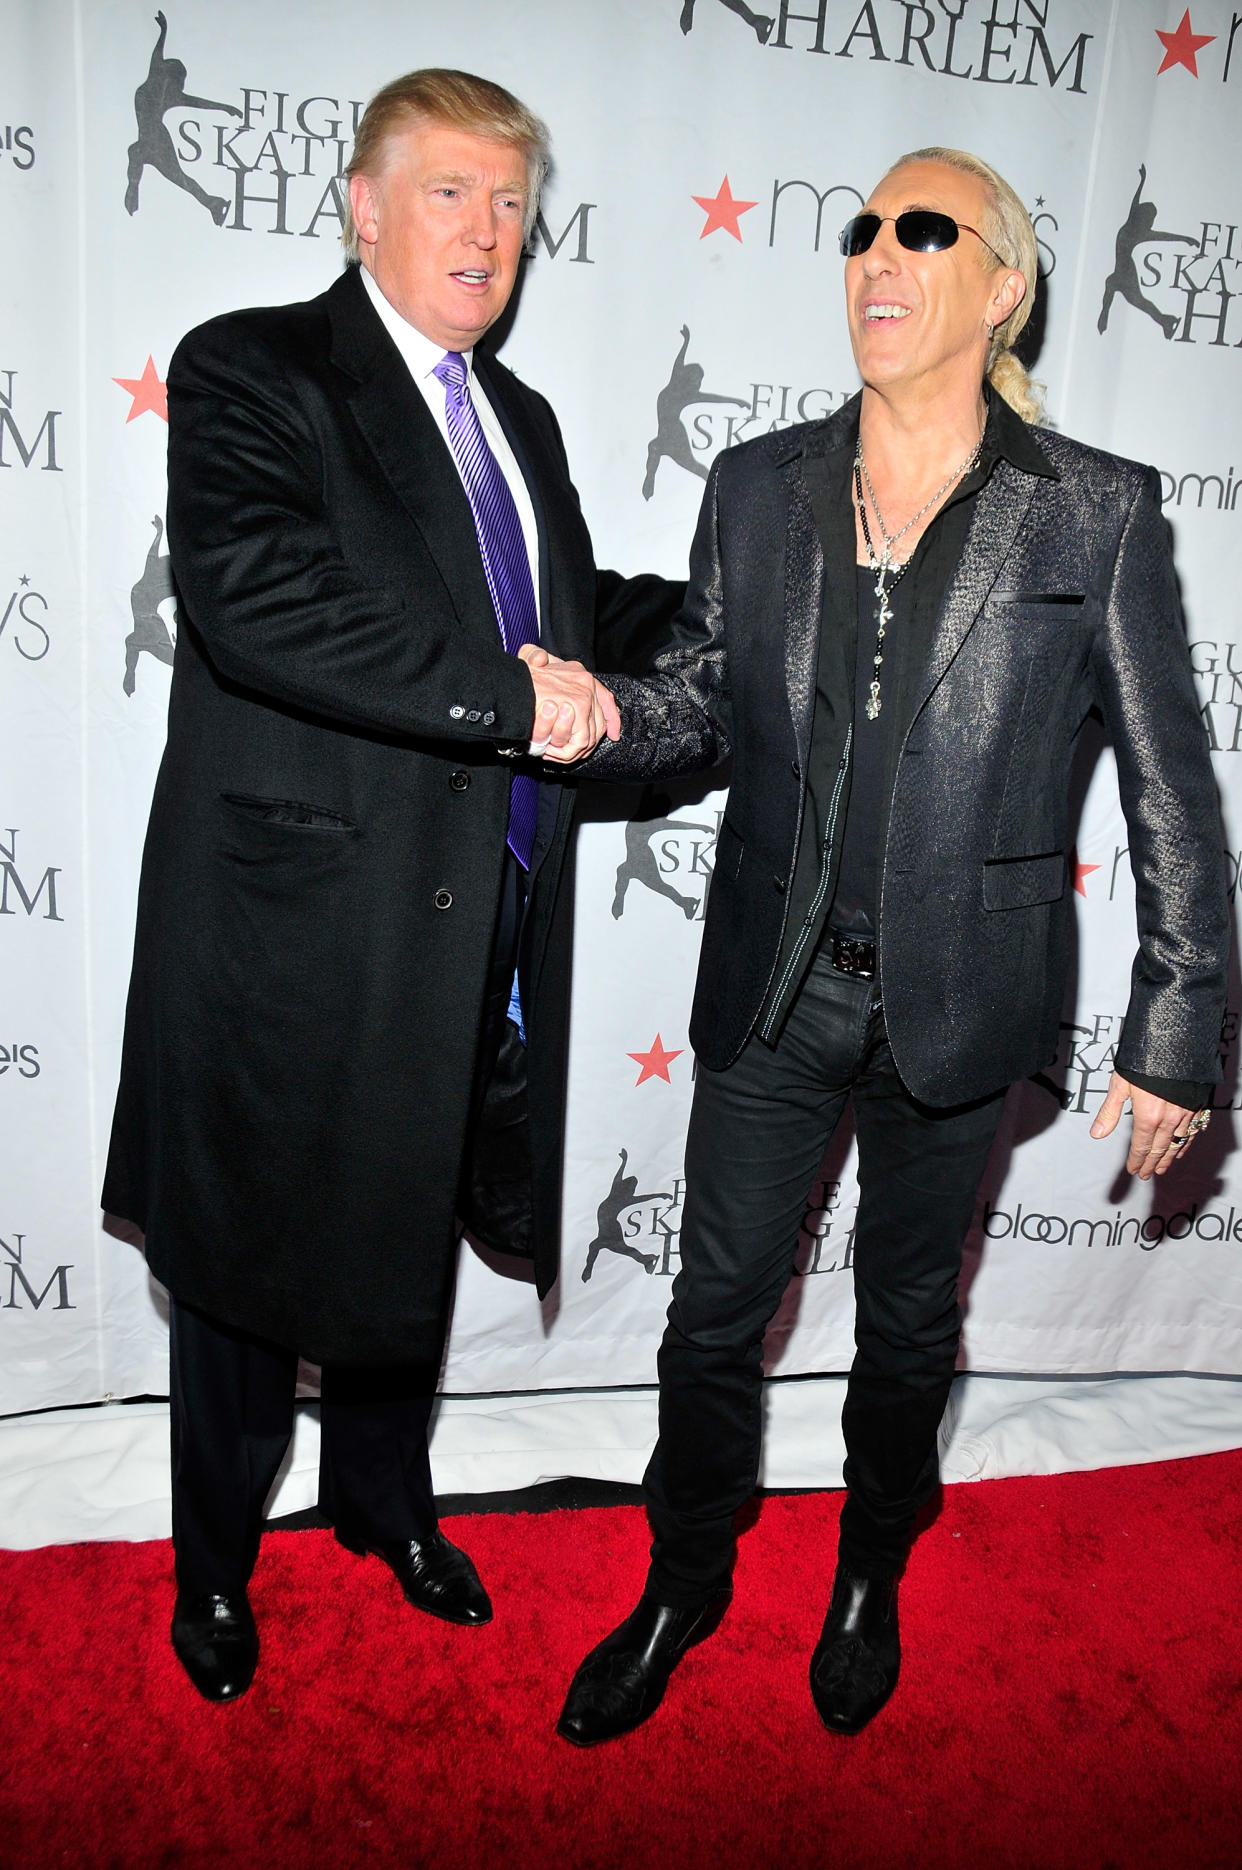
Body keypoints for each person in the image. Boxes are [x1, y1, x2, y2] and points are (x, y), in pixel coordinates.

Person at [551, 146, 1228, 1745]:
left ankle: (868, 1566)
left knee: (912, 1320)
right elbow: (700, 703)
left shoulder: (1093, 512)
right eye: (862, 227)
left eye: (924, 229)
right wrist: (584, 712)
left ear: (1000, 288)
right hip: (776, 988)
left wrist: (1176, 1023)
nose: (878, 251)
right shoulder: (762, 485)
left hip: (961, 996)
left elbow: (1170, 788)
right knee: (711, 1313)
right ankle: (683, 1575)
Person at [103, 67, 671, 1704]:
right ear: (362, 204)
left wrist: (732, 617)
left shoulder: (525, 420)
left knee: (397, 1240)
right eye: (447, 193)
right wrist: (517, 697)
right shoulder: (254, 368)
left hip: (464, 921)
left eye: (508, 204)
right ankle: (212, 1562)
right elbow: (258, 598)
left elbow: (572, 603)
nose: (484, 232)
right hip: (290, 933)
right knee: (239, 1265)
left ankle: (379, 1496)